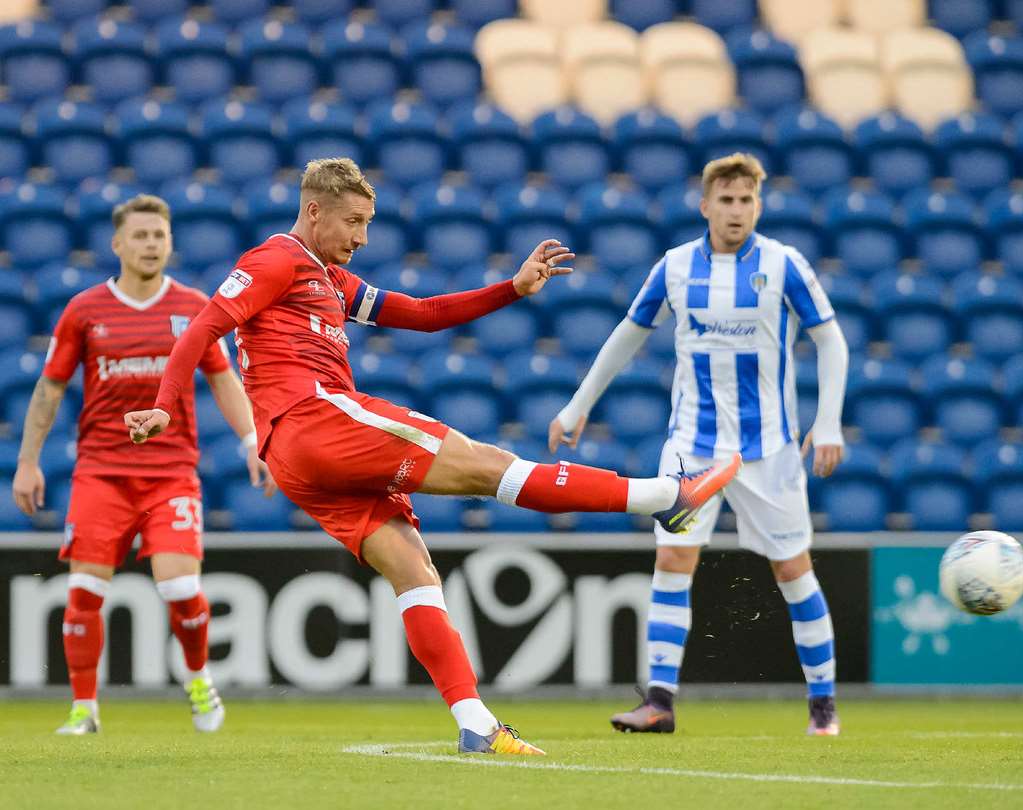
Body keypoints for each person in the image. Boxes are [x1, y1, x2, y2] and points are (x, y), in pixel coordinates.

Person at [123, 158, 741, 756]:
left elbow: (421, 314)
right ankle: (664, 497)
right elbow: (203, 325)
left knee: (414, 572)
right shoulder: (276, 259)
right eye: (354, 222)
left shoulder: (330, 278)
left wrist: (514, 288)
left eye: (369, 223)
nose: (363, 237)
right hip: (315, 419)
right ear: (314, 211)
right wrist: (164, 405)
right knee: (485, 464)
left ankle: (474, 723)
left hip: (297, 457)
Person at [549, 153, 849, 736]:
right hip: (692, 446)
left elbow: (831, 341)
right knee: (672, 559)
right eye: (727, 200)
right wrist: (578, 404)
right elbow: (628, 334)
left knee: (793, 569)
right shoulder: (676, 267)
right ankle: (659, 701)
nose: (737, 211)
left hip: (770, 450)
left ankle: (823, 708)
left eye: (747, 201)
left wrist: (829, 420)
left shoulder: (785, 265)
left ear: (757, 206)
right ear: (705, 204)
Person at [11, 194, 276, 736]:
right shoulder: (85, 311)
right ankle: (84, 708)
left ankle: (199, 679)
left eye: (159, 235)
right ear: (117, 244)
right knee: (84, 591)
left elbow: (224, 379)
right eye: (140, 235)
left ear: (170, 242)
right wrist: (27, 462)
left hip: (171, 472)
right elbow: (49, 388)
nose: (151, 244)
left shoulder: (194, 307)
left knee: (180, 589)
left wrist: (253, 437)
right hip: (100, 473)